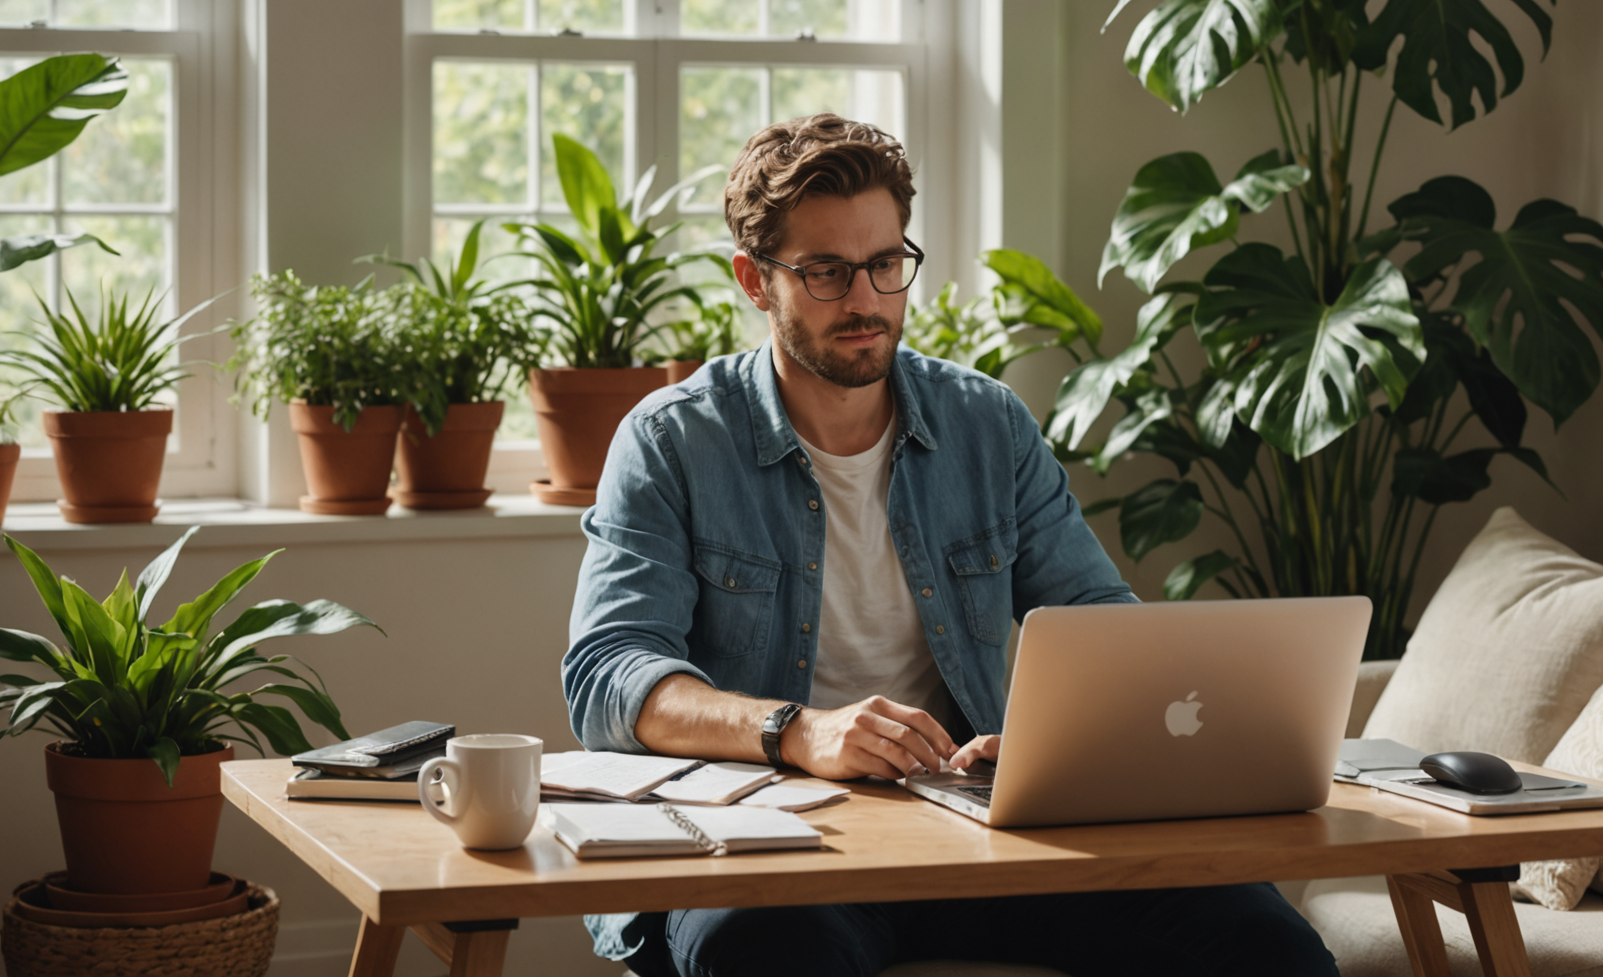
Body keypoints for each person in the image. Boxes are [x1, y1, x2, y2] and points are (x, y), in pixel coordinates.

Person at [563, 113, 1338, 977]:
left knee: (1267, 944)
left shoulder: (986, 424)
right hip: (782, 842)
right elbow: (609, 674)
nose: (865, 300)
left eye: (886, 264)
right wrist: (798, 732)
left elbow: (1098, 624)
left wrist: (1057, 739)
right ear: (755, 280)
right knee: (763, 948)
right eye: (826, 272)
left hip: (979, 836)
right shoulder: (673, 441)